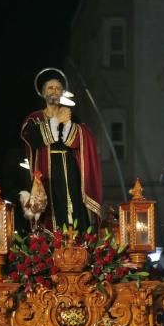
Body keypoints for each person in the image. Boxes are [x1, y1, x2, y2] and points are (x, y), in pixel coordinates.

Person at [21, 67, 102, 232]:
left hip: (71, 169)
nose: (54, 91)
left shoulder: (73, 117)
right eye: (50, 87)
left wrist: (69, 124)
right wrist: (57, 120)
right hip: (47, 176)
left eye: (58, 88)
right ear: (43, 93)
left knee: (75, 204)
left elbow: (82, 139)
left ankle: (78, 242)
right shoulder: (34, 119)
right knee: (52, 208)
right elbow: (33, 138)